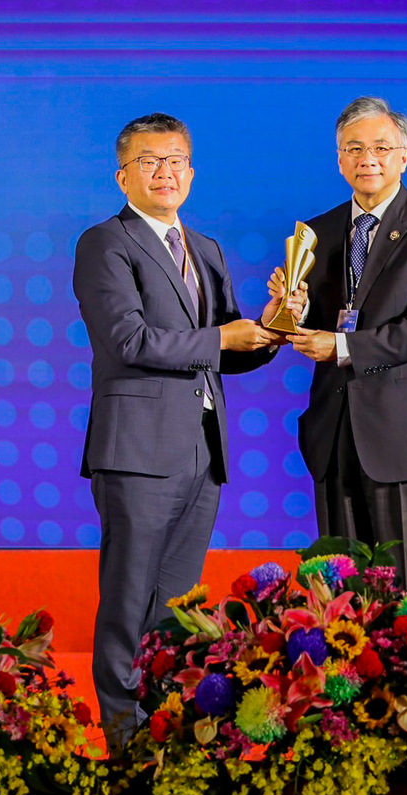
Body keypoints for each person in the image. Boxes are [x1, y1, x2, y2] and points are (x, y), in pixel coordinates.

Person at [73, 112, 302, 748]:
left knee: (174, 608)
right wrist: (221, 337)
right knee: (128, 603)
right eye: (150, 161)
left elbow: (229, 348)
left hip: (202, 453)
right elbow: (128, 340)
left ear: (192, 173)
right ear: (123, 175)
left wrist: (277, 325)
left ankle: (166, 735)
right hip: (138, 452)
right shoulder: (105, 242)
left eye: (176, 160)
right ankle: (123, 742)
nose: (165, 172)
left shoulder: (204, 249)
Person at [288, 96, 407, 585]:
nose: (368, 158)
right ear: (339, 158)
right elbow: (314, 319)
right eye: (354, 148)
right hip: (336, 435)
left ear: (404, 156)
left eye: (381, 147)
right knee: (341, 597)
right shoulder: (317, 231)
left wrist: (342, 348)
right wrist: (292, 309)